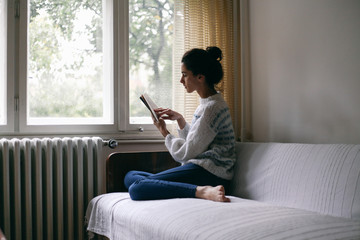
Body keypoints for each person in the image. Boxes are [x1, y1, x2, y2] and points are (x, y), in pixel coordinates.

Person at [124, 46, 236, 202]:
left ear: (200, 77)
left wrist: (164, 132)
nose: (181, 80)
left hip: (212, 174)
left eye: (184, 75)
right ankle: (197, 189)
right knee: (131, 176)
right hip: (202, 169)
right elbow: (196, 143)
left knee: (137, 188)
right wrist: (180, 120)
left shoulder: (212, 108)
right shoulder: (208, 104)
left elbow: (186, 153)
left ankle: (202, 191)